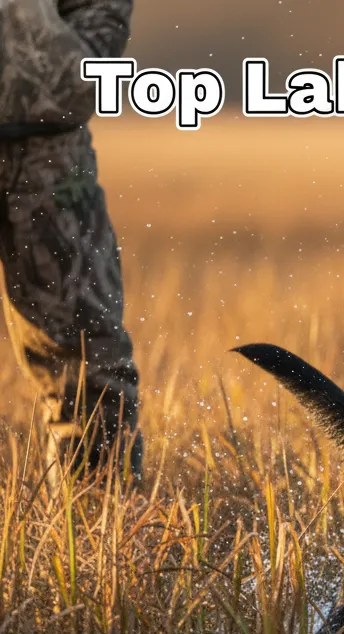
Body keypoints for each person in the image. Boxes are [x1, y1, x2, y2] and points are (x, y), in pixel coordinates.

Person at [0, 0, 140, 483]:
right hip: (52, 133)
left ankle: (99, 524)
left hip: (49, 147)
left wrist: (66, 62)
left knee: (86, 358)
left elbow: (100, 22)